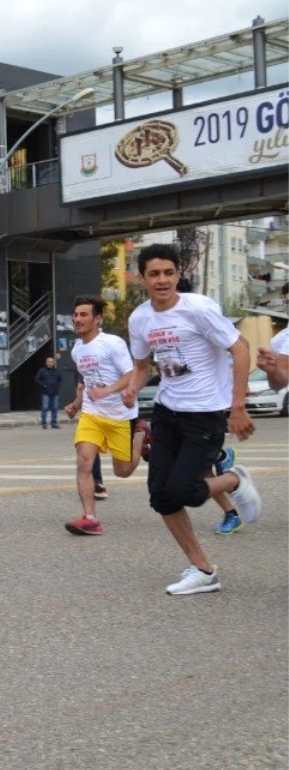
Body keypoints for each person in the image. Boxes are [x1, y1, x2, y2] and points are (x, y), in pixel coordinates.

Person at [123, 243, 261, 595]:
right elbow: (142, 366)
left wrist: (238, 405)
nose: (163, 280)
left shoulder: (199, 309)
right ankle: (203, 569)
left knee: (184, 490)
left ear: (178, 275)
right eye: (154, 274)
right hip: (169, 413)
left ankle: (232, 480)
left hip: (206, 414)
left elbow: (240, 347)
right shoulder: (140, 318)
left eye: (169, 272)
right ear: (142, 278)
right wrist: (131, 390)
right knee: (161, 497)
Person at [61, 295, 151, 535]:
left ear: (97, 318)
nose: (77, 319)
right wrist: (77, 403)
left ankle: (141, 434)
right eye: (76, 315)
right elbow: (86, 380)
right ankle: (90, 518)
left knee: (123, 471)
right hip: (92, 414)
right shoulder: (77, 349)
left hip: (120, 415)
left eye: (83, 315)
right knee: (84, 460)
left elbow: (131, 374)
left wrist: (109, 391)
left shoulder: (112, 343)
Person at [34, 356, 62, 429]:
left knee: (55, 408)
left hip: (55, 393)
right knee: (45, 408)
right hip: (45, 393)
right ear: (46, 363)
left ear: (53, 363)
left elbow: (60, 379)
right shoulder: (42, 371)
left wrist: (57, 386)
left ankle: (54, 423)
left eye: (51, 362)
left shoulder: (57, 371)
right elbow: (37, 379)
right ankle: (44, 424)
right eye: (48, 362)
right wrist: (43, 385)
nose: (49, 363)